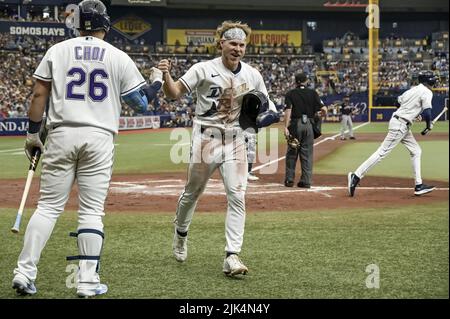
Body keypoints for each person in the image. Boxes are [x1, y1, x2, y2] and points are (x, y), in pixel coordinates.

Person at [12, 0, 162, 298]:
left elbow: (39, 93)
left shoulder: (57, 50)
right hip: (99, 137)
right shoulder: (118, 56)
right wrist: (155, 83)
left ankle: (24, 273)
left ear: (77, 24)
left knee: (48, 208)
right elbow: (140, 103)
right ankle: (87, 282)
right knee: (91, 212)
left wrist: (32, 135)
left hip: (61, 133)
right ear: (105, 24)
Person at [157, 20, 278, 277]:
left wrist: (258, 120)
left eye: (242, 44)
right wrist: (166, 76)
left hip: (236, 140)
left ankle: (232, 255)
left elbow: (272, 110)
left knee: (237, 194)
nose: (238, 48)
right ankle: (180, 234)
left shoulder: (253, 74)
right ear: (221, 43)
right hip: (206, 140)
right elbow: (174, 93)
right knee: (192, 192)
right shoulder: (203, 68)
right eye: (233, 43)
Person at [348, 71, 437, 197]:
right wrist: (428, 125)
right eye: (434, 79)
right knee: (381, 153)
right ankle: (356, 176)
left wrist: (412, 114)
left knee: (416, 151)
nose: (435, 81)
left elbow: (397, 103)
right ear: (429, 81)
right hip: (400, 125)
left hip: (402, 124)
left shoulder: (412, 90)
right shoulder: (427, 92)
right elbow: (428, 112)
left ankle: (418, 185)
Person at [284, 73, 327, 188]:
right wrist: (319, 117)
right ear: (306, 81)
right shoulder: (313, 93)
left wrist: (285, 126)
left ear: (296, 81)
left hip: (295, 124)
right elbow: (324, 109)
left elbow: (288, 110)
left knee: (292, 153)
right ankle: (306, 181)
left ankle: (289, 180)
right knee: (307, 154)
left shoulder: (290, 93)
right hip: (309, 124)